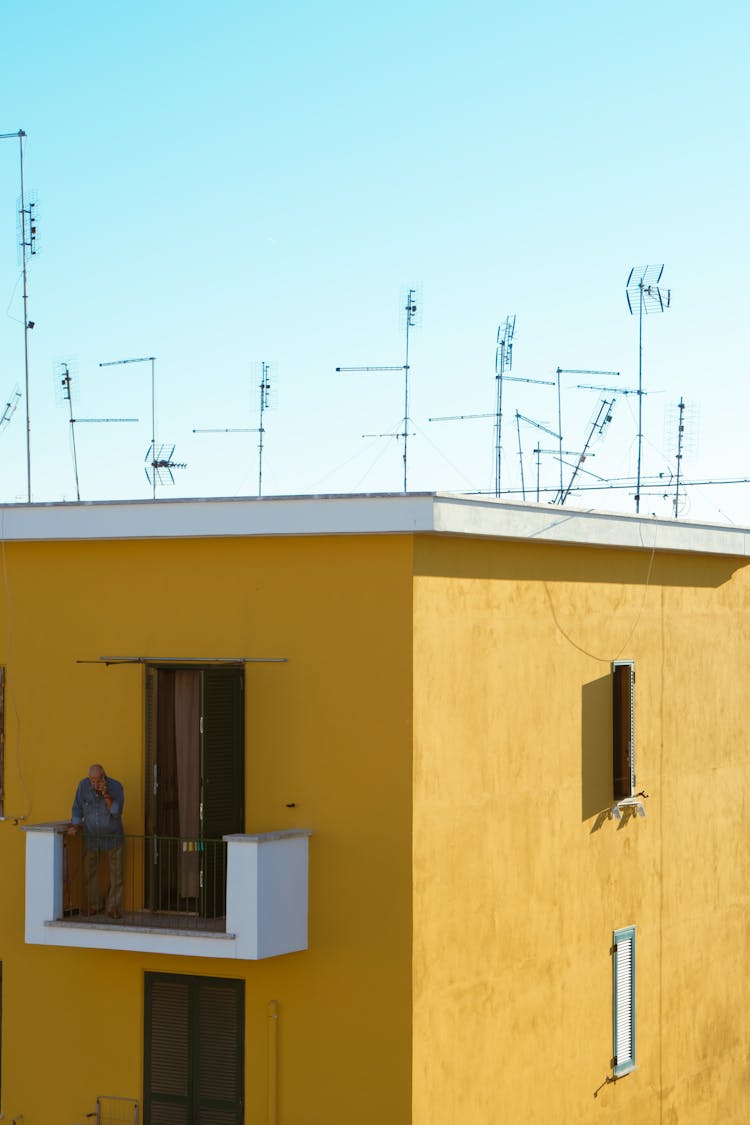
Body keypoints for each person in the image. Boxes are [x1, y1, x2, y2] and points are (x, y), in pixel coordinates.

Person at [67, 764, 125, 919]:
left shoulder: (116, 787)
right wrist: (75, 825)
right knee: (90, 873)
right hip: (91, 836)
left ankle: (112, 907)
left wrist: (106, 795)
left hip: (113, 836)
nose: (94, 784)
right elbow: (77, 808)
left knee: (117, 874)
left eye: (97, 780)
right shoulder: (83, 786)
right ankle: (94, 905)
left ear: (104, 776)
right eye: (91, 780)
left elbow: (116, 812)